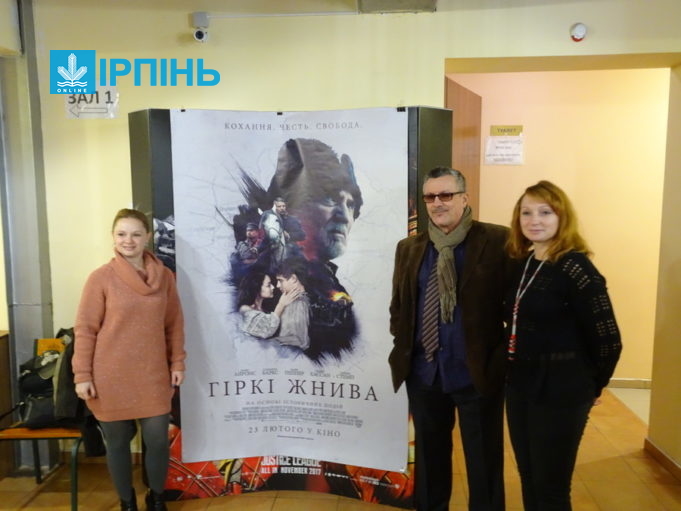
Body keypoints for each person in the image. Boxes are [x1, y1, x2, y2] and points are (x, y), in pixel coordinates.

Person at [389, 167, 509, 511]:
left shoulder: (497, 241)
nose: (437, 203)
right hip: (425, 375)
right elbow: (399, 307)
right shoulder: (409, 248)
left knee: (484, 462)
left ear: (464, 198)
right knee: (429, 463)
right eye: (430, 196)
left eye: (446, 195)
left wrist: (499, 361)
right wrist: (405, 347)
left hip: (476, 374)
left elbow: (517, 309)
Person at [504, 180, 622, 511]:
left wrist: (593, 385)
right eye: (526, 213)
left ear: (562, 218)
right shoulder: (525, 262)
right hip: (521, 385)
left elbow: (608, 339)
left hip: (562, 390)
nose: (534, 220)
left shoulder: (575, 267)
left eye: (545, 212)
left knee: (551, 487)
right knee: (528, 475)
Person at [73, 208, 186, 511]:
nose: (128, 240)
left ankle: (157, 498)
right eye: (121, 234)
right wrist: (82, 375)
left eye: (136, 234)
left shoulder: (164, 278)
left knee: (158, 440)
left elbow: (174, 324)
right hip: (109, 377)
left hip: (153, 374)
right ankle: (127, 502)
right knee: (118, 443)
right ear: (113, 237)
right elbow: (85, 329)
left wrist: (177, 362)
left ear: (147, 236)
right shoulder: (101, 278)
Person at [237, 271, 302, 340]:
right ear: (257, 288)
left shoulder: (265, 309)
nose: (273, 287)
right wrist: (281, 305)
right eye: (268, 285)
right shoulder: (244, 310)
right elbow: (266, 330)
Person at [273, 257, 311, 350]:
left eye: (280, 280)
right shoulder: (297, 300)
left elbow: (299, 340)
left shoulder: (298, 303)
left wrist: (269, 343)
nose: (277, 285)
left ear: (293, 278)